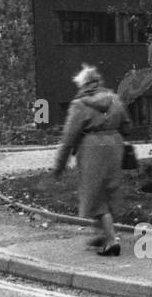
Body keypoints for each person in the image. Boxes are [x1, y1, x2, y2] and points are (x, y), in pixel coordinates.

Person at [53, 64, 132, 256]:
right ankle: (104, 234)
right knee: (109, 189)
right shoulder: (114, 100)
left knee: (95, 194)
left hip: (91, 148)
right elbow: (128, 126)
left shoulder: (80, 104)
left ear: (83, 84)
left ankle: (111, 241)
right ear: (98, 82)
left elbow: (69, 136)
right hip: (115, 145)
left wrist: (60, 164)